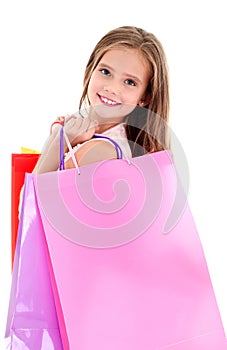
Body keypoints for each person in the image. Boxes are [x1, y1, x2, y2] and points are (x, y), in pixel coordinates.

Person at [33, 25, 170, 174]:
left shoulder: (102, 151)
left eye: (130, 82)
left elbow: (30, 196)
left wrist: (60, 141)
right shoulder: (77, 127)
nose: (111, 88)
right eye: (105, 72)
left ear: (144, 97)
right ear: (91, 69)